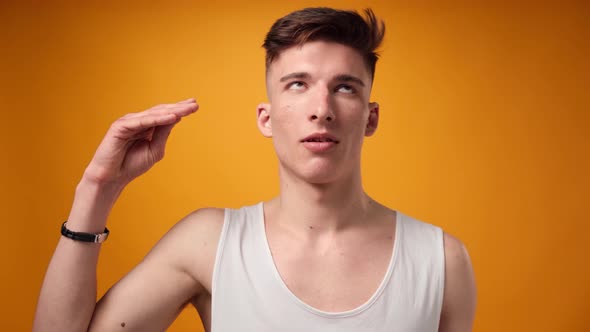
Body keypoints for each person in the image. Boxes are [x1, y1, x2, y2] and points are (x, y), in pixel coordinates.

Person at [33, 7, 476, 332]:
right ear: (266, 118)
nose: (321, 109)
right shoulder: (210, 242)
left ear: (371, 116)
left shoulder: (441, 261)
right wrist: (97, 188)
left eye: (344, 87)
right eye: (298, 85)